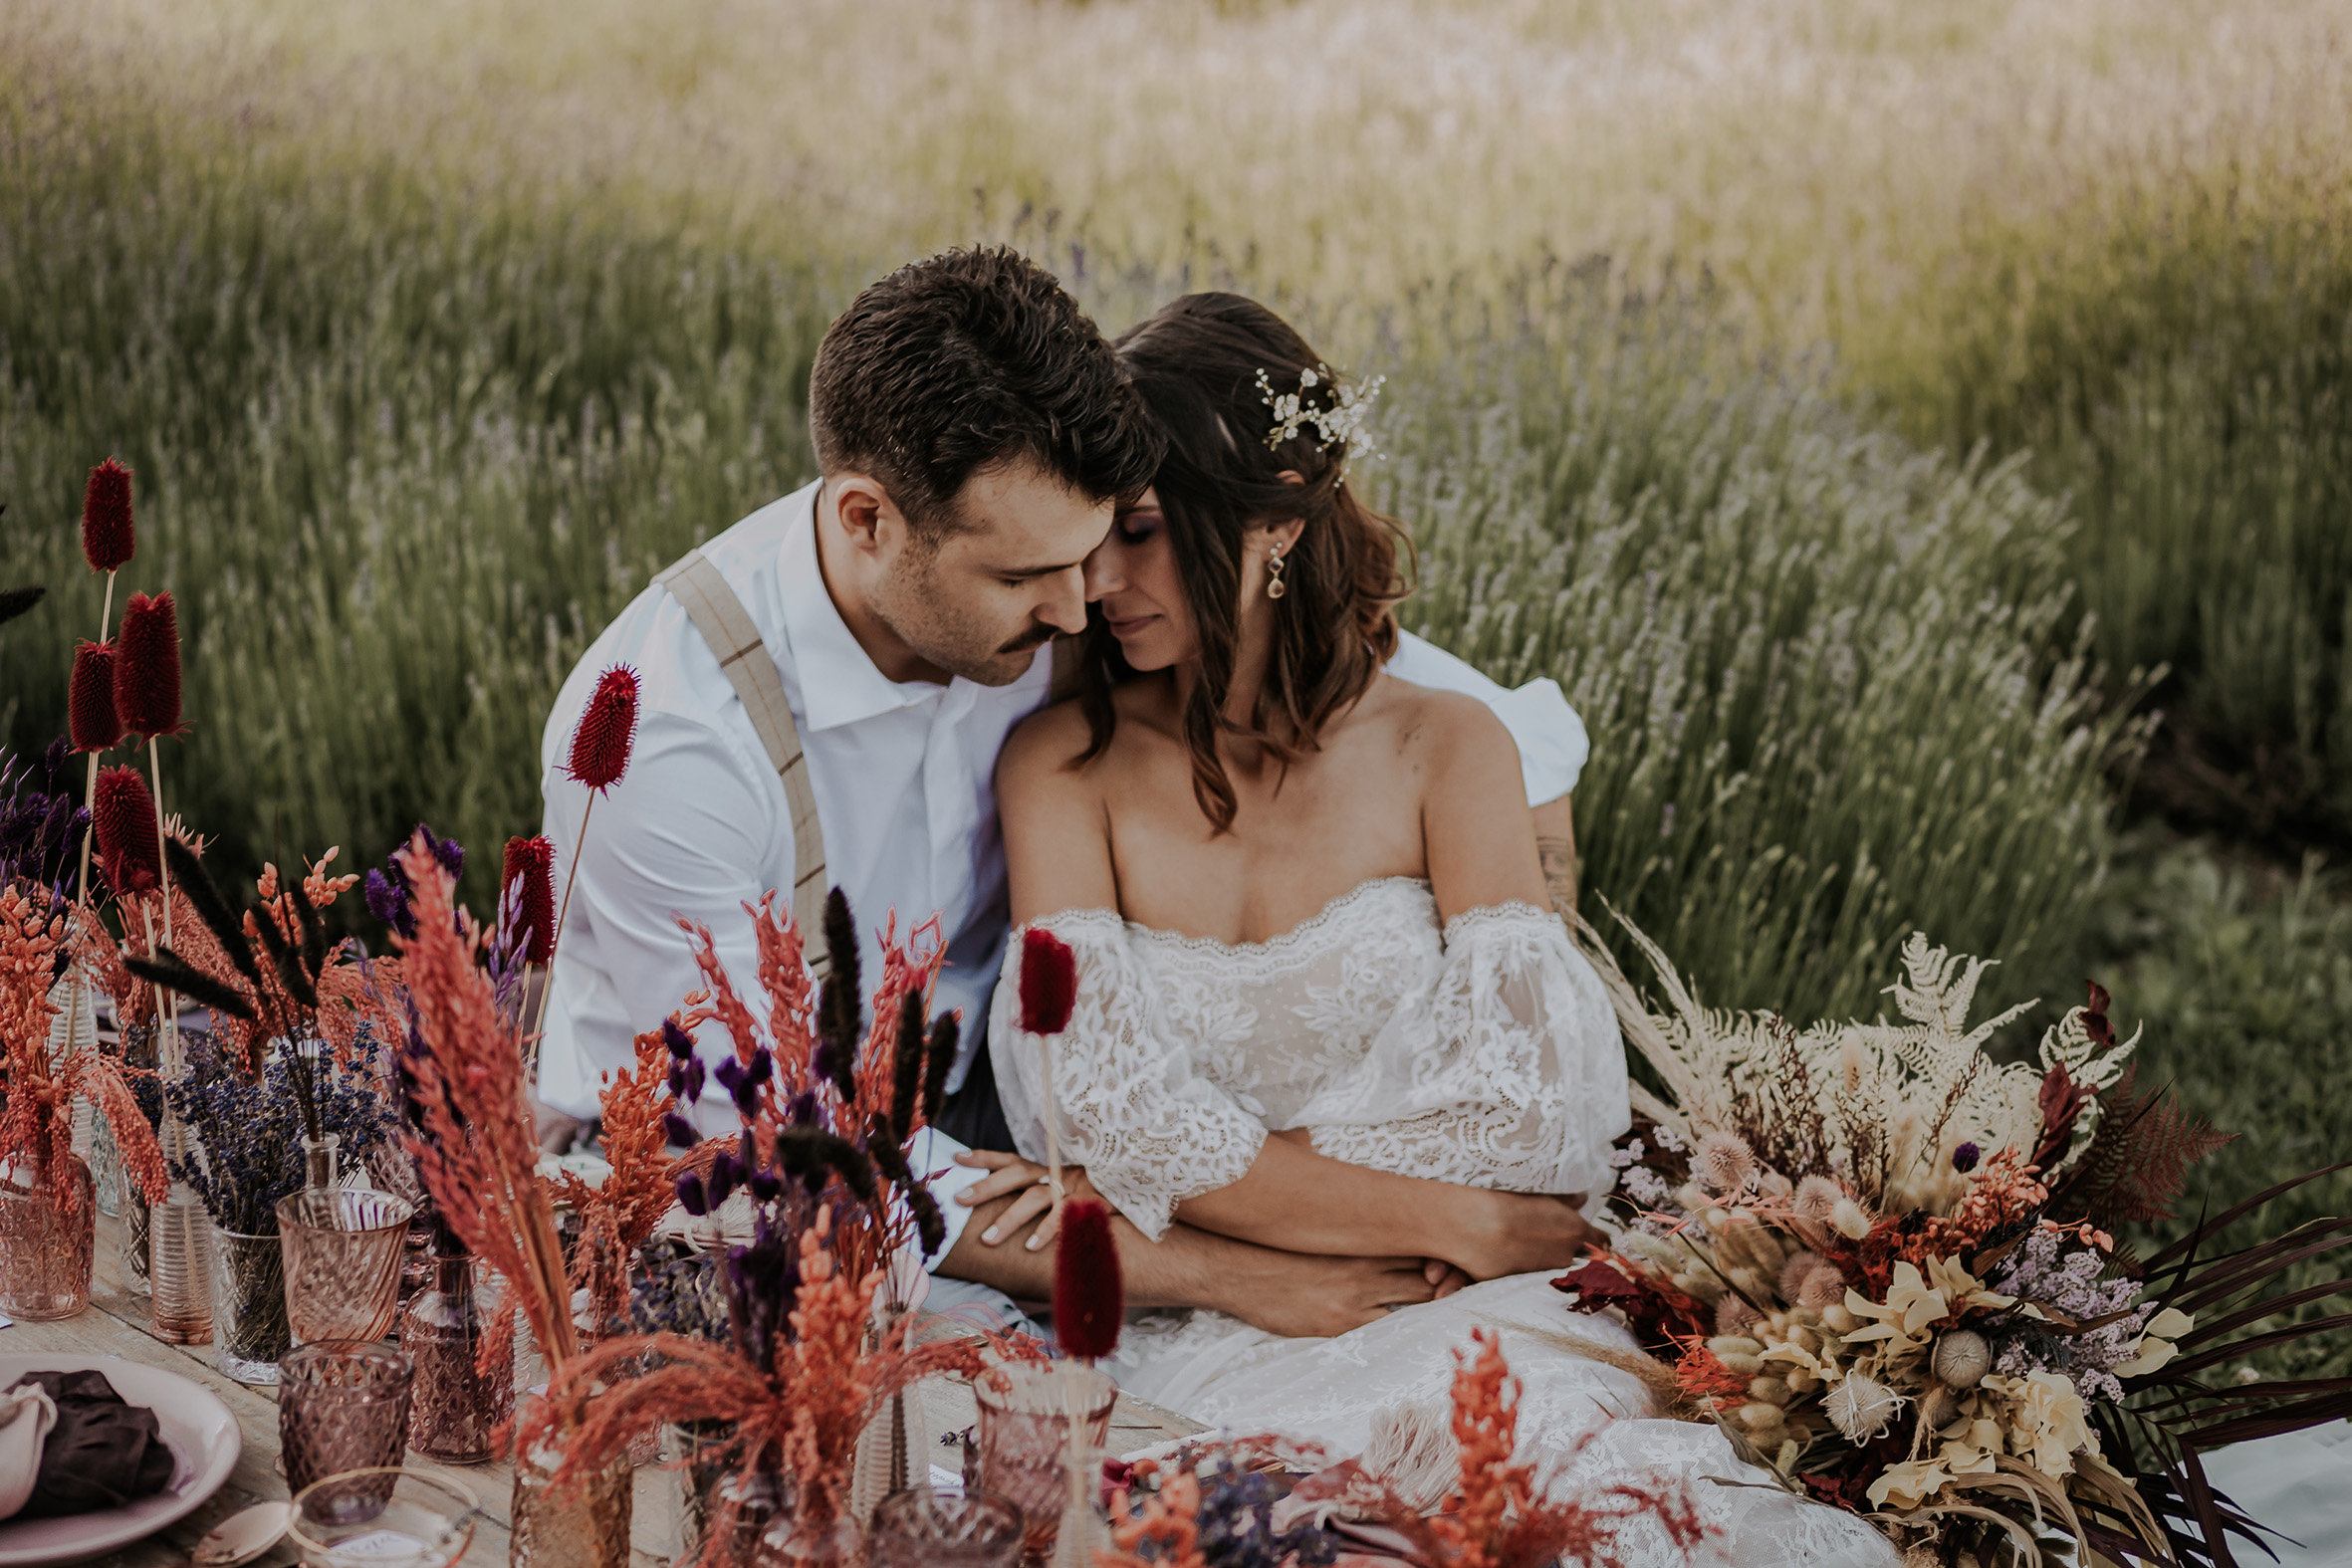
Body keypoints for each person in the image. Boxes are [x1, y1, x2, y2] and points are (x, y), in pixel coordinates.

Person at [966, 293, 1900, 1566]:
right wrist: (1446, 1217)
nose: (1095, 587)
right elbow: (1094, 1114)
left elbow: (1533, 1110)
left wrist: (1194, 1188)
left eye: (1137, 534)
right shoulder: (1060, 769)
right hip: (1204, 1319)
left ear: (1277, 523)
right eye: (1086, 540)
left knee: (1579, 1510)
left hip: (1446, 1311)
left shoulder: (1444, 750)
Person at [533, 248, 1597, 1339]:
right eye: (1024, 577)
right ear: (867, 521)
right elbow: (779, 1140)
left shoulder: (1059, 582)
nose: (1083, 609)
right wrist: (1228, 1275)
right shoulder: (667, 743)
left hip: (1019, 1120)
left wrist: (1516, 913)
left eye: (1101, 546)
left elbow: (1383, 684)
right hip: (755, 1188)